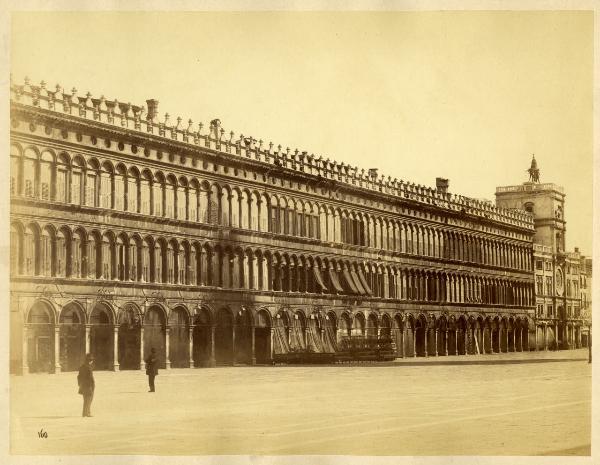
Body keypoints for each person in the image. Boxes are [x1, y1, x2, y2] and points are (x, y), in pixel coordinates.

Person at [77, 353, 95, 417]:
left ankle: (86, 413)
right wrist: (92, 386)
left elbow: (78, 377)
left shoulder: (82, 367)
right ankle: (86, 413)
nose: (92, 361)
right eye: (91, 360)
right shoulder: (89, 368)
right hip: (89, 386)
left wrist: (80, 384)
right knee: (89, 400)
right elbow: (90, 378)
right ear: (89, 360)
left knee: (85, 400)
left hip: (83, 386)